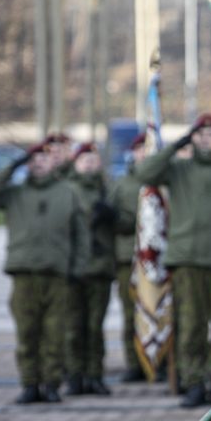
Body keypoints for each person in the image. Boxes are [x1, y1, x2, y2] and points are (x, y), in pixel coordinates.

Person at [136, 113, 211, 407]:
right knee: (191, 326)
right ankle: (193, 382)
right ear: (193, 138)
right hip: (187, 259)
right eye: (200, 134)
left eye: (210, 134)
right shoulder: (179, 168)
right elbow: (145, 174)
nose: (206, 139)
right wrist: (174, 145)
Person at [0, 141, 89, 404]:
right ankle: (29, 383)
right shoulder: (15, 193)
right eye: (33, 159)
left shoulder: (68, 192)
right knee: (27, 333)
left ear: (53, 163)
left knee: (54, 333)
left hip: (57, 274)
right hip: (24, 273)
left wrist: (77, 269)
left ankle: (50, 384)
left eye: (44, 158)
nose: (39, 163)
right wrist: (11, 166)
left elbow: (81, 236)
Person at [64, 142, 117, 396]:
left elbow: (128, 221)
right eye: (83, 159)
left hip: (100, 267)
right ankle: (75, 376)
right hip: (74, 268)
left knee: (95, 327)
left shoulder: (108, 188)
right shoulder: (67, 189)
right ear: (75, 163)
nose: (89, 164)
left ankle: (95, 375)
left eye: (93, 159)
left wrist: (112, 214)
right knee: (74, 326)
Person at [109, 133, 147, 382]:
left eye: (148, 149)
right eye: (140, 149)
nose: (144, 154)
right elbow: (112, 221)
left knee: (161, 312)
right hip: (128, 258)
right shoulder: (122, 185)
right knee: (130, 313)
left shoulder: (167, 183)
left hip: (160, 261)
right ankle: (135, 364)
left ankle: (161, 361)